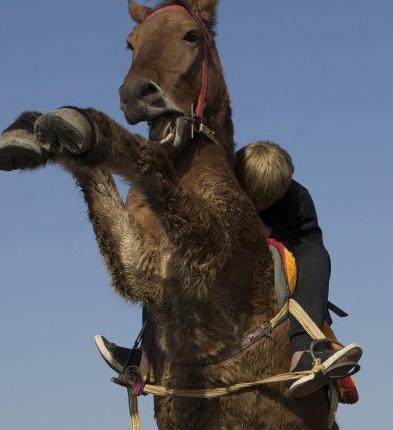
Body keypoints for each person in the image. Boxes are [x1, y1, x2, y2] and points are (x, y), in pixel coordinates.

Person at [94, 141, 362, 398]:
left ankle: (304, 352)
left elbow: (307, 239)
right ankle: (149, 358)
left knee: (316, 256)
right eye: (252, 198)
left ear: (282, 192)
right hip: (216, 251)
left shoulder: (297, 198)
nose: (256, 206)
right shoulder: (215, 184)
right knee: (167, 252)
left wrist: (268, 232)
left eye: (265, 202)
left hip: (277, 249)